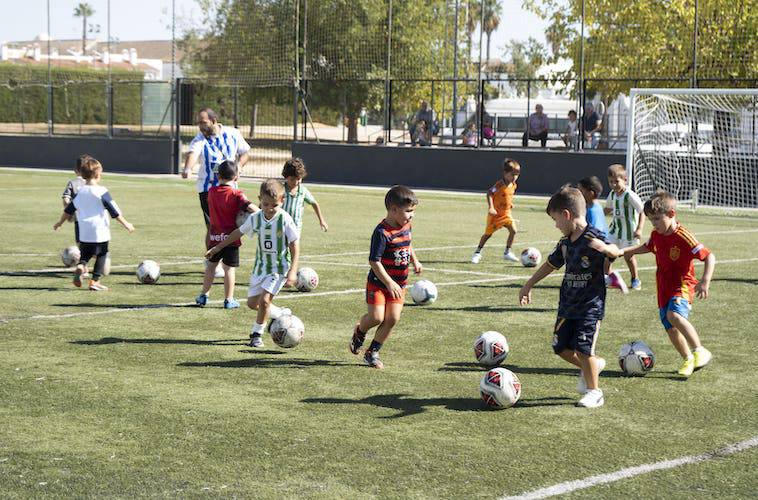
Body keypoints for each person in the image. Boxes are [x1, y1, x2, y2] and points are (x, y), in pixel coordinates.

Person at [519, 187, 623, 408]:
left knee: (585, 350)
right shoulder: (565, 243)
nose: (556, 225)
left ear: (566, 215)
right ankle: (591, 368)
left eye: (556, 220)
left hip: (589, 307)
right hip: (567, 306)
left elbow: (612, 249)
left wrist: (608, 251)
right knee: (561, 348)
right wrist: (529, 284)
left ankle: (595, 392)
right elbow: (550, 264)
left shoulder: (593, 237)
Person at [622, 191, 714, 377]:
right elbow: (648, 247)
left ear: (671, 214)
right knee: (670, 328)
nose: (654, 224)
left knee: (674, 315)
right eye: (651, 220)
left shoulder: (683, 235)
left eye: (657, 219)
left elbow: (709, 256)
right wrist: (628, 251)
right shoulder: (657, 234)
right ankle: (688, 359)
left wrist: (705, 281)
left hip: (683, 284)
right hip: (663, 287)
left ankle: (699, 350)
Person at [206, 179, 298, 348]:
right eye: (265, 204)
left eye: (274, 205)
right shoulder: (256, 218)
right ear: (259, 200)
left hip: (278, 268)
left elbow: (294, 244)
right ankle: (280, 314)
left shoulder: (285, 219)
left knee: (263, 301)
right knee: (252, 304)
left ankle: (256, 334)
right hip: (260, 268)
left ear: (282, 201)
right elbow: (237, 233)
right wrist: (217, 248)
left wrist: (293, 271)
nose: (270, 209)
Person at [349, 185, 422, 369]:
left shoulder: (407, 225)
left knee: (392, 318)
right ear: (393, 210)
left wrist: (415, 260)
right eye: (408, 211)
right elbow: (374, 261)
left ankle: (372, 352)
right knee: (376, 318)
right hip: (379, 283)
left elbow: (408, 244)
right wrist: (388, 282)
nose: (411, 215)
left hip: (400, 283)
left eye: (413, 211)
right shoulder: (382, 232)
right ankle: (359, 331)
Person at [53, 157, 135, 291]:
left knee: (85, 254)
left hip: (84, 231)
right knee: (102, 253)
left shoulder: (80, 193)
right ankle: (94, 281)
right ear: (98, 175)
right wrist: (126, 224)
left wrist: (59, 223)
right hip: (100, 230)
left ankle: (81, 266)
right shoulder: (102, 191)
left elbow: (68, 210)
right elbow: (113, 211)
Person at [182, 108, 252, 250]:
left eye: (203, 122)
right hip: (208, 191)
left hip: (230, 190)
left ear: (213, 121)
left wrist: (239, 166)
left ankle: (228, 257)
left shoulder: (233, 134)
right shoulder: (199, 139)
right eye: (199, 123)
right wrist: (187, 169)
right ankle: (212, 258)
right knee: (212, 226)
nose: (200, 126)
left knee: (231, 225)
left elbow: (245, 153)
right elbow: (193, 154)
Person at [195, 160, 259, 309]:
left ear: (218, 176)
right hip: (231, 239)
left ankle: (204, 295)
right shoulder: (237, 194)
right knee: (229, 269)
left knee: (210, 267)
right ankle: (228, 299)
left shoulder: (211, 192)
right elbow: (251, 208)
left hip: (214, 237)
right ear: (236, 177)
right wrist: (259, 214)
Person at [577, 176, 628, 294]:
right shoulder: (594, 206)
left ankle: (610, 280)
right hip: (604, 246)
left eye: (580, 191)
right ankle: (611, 277)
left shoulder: (592, 210)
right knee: (597, 272)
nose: (578, 194)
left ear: (590, 193)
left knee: (588, 275)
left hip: (598, 247)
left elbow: (595, 231)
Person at [471, 158, 521, 264]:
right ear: (505, 173)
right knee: (488, 235)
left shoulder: (513, 185)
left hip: (506, 214)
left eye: (517, 175)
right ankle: (477, 252)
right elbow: (489, 193)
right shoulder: (499, 185)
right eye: (512, 174)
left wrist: (509, 204)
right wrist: (491, 207)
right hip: (495, 215)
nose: (515, 177)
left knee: (513, 231)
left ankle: (507, 252)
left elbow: (507, 196)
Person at [605, 164, 645, 291]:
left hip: (629, 232)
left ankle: (635, 279)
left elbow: (642, 211)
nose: (613, 185)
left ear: (625, 180)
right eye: (611, 182)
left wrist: (639, 229)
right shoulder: (612, 194)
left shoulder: (630, 195)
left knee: (629, 257)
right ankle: (608, 278)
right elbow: (608, 209)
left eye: (616, 181)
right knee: (607, 254)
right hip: (615, 230)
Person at [281, 158, 328, 234]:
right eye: (292, 179)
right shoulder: (280, 189)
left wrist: (321, 221)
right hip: (281, 225)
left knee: (294, 245)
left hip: (295, 227)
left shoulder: (303, 191)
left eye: (299, 179)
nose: (296, 182)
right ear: (286, 177)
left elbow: (314, 203)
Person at [61, 154, 89, 245]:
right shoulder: (92, 183)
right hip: (93, 219)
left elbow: (66, 200)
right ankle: (101, 257)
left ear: (75, 170)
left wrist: (69, 213)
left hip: (79, 220)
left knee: (80, 245)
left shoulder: (73, 183)